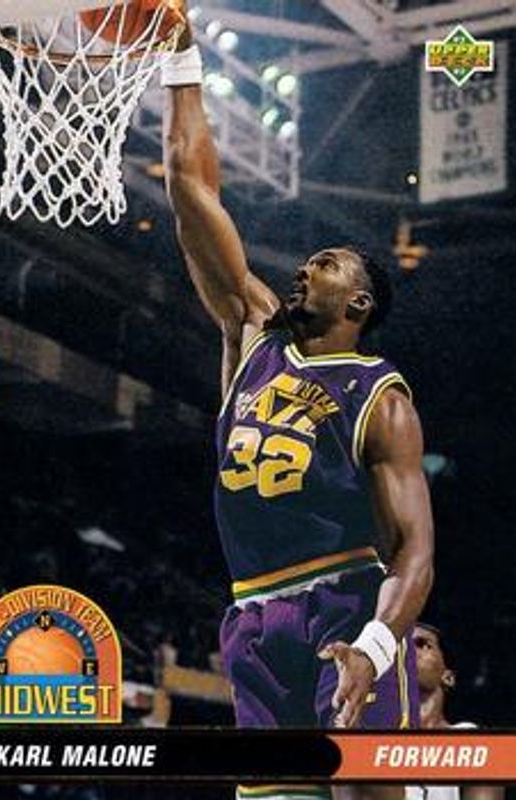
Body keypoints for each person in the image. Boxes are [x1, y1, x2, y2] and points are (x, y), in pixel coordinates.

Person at [160, 19, 434, 800]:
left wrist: (373, 648)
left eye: (326, 262)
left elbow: (414, 551)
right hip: (251, 615)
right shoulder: (253, 334)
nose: (305, 267)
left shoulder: (378, 395)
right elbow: (188, 184)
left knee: (361, 791)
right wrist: (179, 56)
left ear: (358, 302)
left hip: (340, 605)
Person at [408, 624, 504, 800]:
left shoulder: (474, 742)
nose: (406, 651)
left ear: (448, 677)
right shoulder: (368, 743)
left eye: (422, 644)